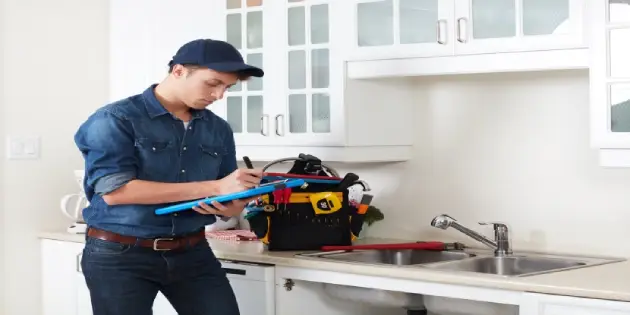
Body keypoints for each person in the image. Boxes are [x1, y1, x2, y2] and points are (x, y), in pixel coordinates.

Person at [73, 38, 264, 315]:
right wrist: (214, 186)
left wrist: (232, 204)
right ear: (178, 71)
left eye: (227, 87)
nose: (219, 95)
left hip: (193, 251)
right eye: (212, 83)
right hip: (120, 254)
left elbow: (227, 192)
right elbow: (116, 192)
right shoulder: (115, 119)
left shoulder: (218, 129)